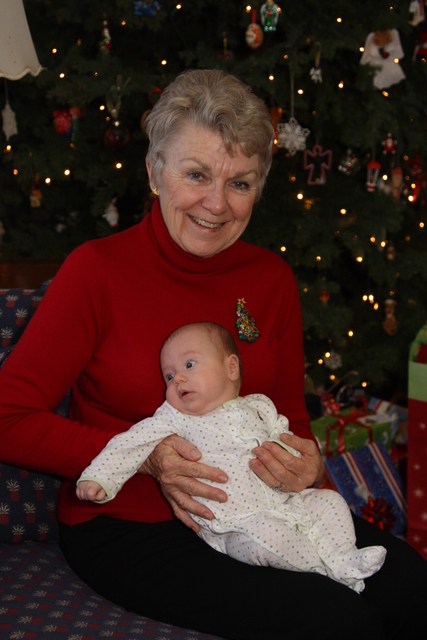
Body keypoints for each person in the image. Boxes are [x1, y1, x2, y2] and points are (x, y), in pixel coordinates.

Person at [0, 68, 425, 640]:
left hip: (267, 511)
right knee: (337, 622)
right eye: (196, 174)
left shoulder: (270, 280)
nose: (216, 204)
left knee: (413, 589)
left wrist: (303, 461)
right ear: (155, 171)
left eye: (240, 183)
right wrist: (147, 457)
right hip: (131, 524)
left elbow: (289, 417)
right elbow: (7, 417)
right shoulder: (96, 272)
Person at [77, 321, 386, 593]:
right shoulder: (173, 417)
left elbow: (285, 436)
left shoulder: (260, 406)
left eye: (189, 365)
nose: (177, 380)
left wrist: (294, 459)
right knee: (269, 538)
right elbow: (130, 443)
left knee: (330, 501)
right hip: (235, 527)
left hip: (288, 502)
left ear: (231, 368)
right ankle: (326, 570)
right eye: (169, 376)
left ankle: (344, 555)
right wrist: (100, 477)